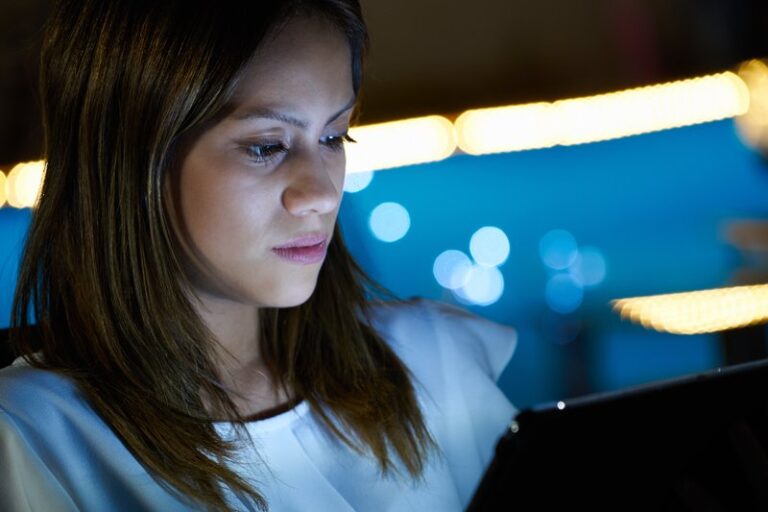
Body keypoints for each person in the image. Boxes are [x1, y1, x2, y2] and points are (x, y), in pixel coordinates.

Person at [0, 1, 517, 510]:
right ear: (132, 158)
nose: (321, 192)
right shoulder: (32, 436)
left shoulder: (432, 361)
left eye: (334, 136)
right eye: (267, 146)